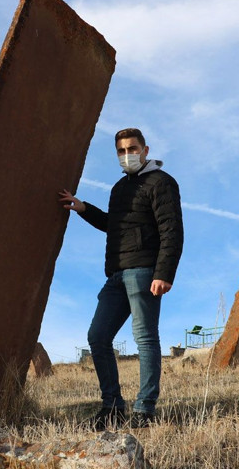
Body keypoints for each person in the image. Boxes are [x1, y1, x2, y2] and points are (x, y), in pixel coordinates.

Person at [58, 127, 183, 430]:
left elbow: (172, 230)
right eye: (122, 151)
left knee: (145, 339)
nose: (128, 155)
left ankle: (145, 410)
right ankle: (112, 407)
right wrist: (83, 208)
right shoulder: (118, 188)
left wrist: (163, 273)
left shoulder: (162, 182)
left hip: (143, 273)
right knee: (98, 337)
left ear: (146, 150)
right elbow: (112, 225)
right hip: (115, 274)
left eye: (133, 148)